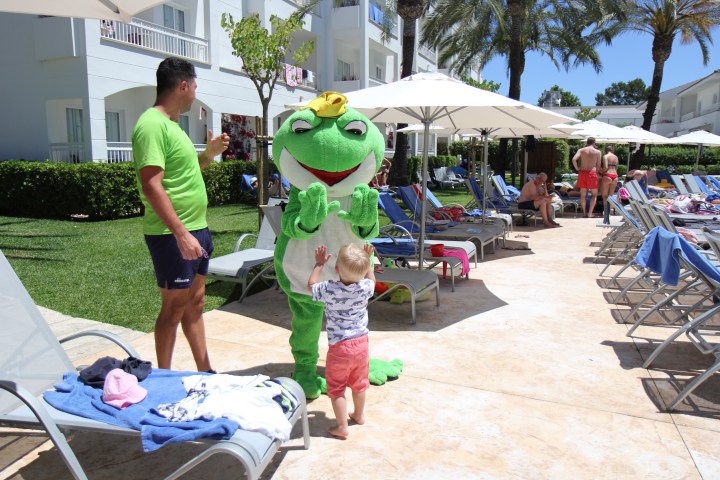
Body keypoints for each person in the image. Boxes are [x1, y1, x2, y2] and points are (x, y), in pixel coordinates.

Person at [132, 57, 229, 372]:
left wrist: (208, 155)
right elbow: (151, 185)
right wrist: (181, 234)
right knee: (173, 308)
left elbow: (186, 173)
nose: (195, 95)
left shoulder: (174, 126)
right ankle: (164, 376)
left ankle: (206, 371)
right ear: (183, 86)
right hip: (172, 235)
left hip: (197, 229)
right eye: (195, 88)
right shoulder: (151, 124)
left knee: (195, 304)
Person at [307, 243, 376, 439]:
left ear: (337, 268)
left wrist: (319, 264)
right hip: (361, 344)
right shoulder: (365, 287)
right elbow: (372, 279)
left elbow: (311, 286)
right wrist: (368, 263)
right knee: (359, 383)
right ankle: (359, 415)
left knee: (336, 388)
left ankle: (342, 426)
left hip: (340, 347)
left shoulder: (329, 289)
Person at [572, 137, 602, 218]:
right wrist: (597, 172)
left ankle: (584, 212)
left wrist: (577, 168)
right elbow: (598, 165)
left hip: (582, 173)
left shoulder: (581, 150)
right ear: (594, 143)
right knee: (594, 195)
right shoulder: (597, 152)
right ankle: (590, 213)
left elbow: (574, 159)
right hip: (592, 172)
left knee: (583, 195)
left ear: (587, 142)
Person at [600, 145, 619, 224]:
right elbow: (616, 167)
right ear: (612, 150)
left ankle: (606, 213)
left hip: (607, 175)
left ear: (605, 150)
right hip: (615, 176)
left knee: (604, 196)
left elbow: (605, 167)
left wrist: (601, 171)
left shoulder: (605, 156)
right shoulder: (616, 157)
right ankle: (609, 212)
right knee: (610, 196)